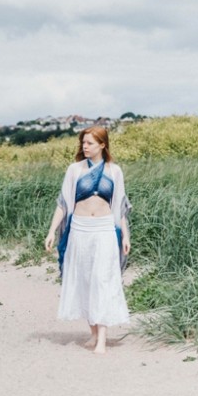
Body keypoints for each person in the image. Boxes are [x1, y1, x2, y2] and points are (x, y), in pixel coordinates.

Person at [44, 127, 131, 354]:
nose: (85, 146)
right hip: (80, 230)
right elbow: (63, 204)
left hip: (104, 229)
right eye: (83, 142)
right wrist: (52, 231)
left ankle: (102, 338)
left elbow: (120, 207)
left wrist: (125, 235)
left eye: (90, 143)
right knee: (84, 279)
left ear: (103, 145)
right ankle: (93, 333)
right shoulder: (74, 170)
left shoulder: (114, 171)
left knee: (102, 279)